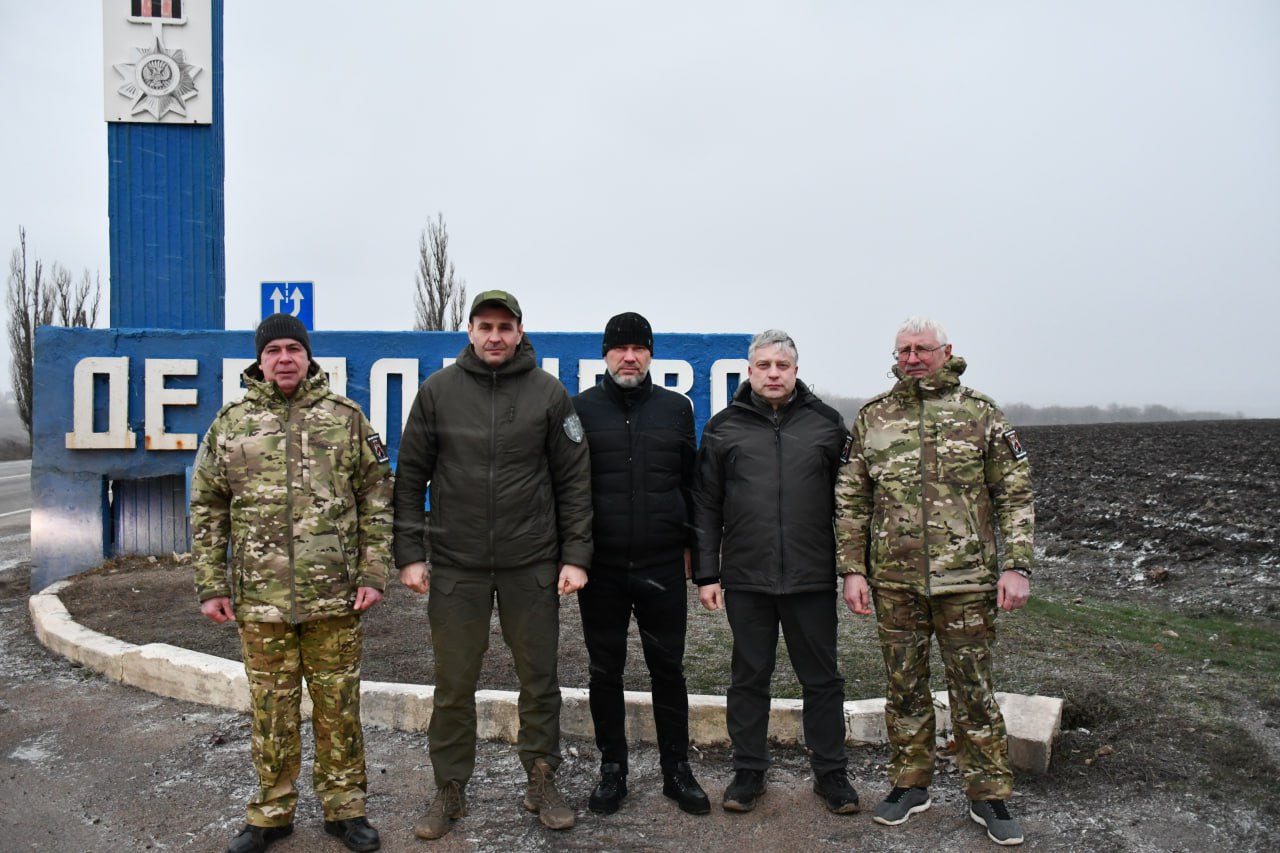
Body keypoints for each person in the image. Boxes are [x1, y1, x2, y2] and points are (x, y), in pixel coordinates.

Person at [392, 290, 593, 840]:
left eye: (505, 327)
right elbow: (409, 479)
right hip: (457, 566)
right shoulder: (438, 392)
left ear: (520, 332)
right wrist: (409, 553)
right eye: (486, 326)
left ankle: (542, 778)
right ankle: (449, 787)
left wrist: (576, 556)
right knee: (453, 684)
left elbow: (574, 482)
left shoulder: (548, 393)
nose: (495, 336)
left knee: (540, 679)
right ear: (470, 332)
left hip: (531, 563)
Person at [190, 313, 392, 853]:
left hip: (335, 596)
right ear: (260, 360)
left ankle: (345, 809)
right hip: (261, 600)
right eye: (273, 350)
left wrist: (374, 572)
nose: (284, 359)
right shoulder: (231, 425)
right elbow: (208, 505)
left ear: (308, 356)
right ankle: (272, 813)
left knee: (338, 706)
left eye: (293, 349)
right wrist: (211, 583)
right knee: (271, 710)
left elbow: (378, 498)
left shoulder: (345, 418)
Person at [837, 315, 1034, 847]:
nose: (913, 358)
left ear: (946, 352)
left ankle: (988, 793)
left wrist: (1016, 565)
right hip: (894, 582)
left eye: (923, 349)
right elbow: (852, 501)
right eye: (904, 350)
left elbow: (1014, 494)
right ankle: (910, 783)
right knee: (904, 686)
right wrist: (853, 569)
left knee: (973, 688)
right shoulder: (874, 418)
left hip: (966, 581)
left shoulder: (980, 414)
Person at [692, 329, 860, 816]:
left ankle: (831, 773)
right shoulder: (723, 428)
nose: (772, 373)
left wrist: (853, 569)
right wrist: (707, 574)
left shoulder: (827, 424)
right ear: (749, 371)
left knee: (822, 679)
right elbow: (706, 505)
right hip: (747, 577)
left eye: (781, 366)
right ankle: (748, 771)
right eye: (763, 365)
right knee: (749, 677)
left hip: (811, 576)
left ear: (795, 370)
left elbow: (851, 503)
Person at [571, 312, 710, 817]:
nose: (629, 357)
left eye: (639, 348)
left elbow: (691, 486)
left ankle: (677, 770)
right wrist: (571, 556)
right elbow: (568, 488)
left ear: (651, 354)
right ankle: (613, 770)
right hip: (602, 569)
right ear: (605, 354)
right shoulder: (579, 409)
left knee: (668, 669)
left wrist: (698, 555)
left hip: (662, 565)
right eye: (620, 348)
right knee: (605, 670)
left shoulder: (676, 409)